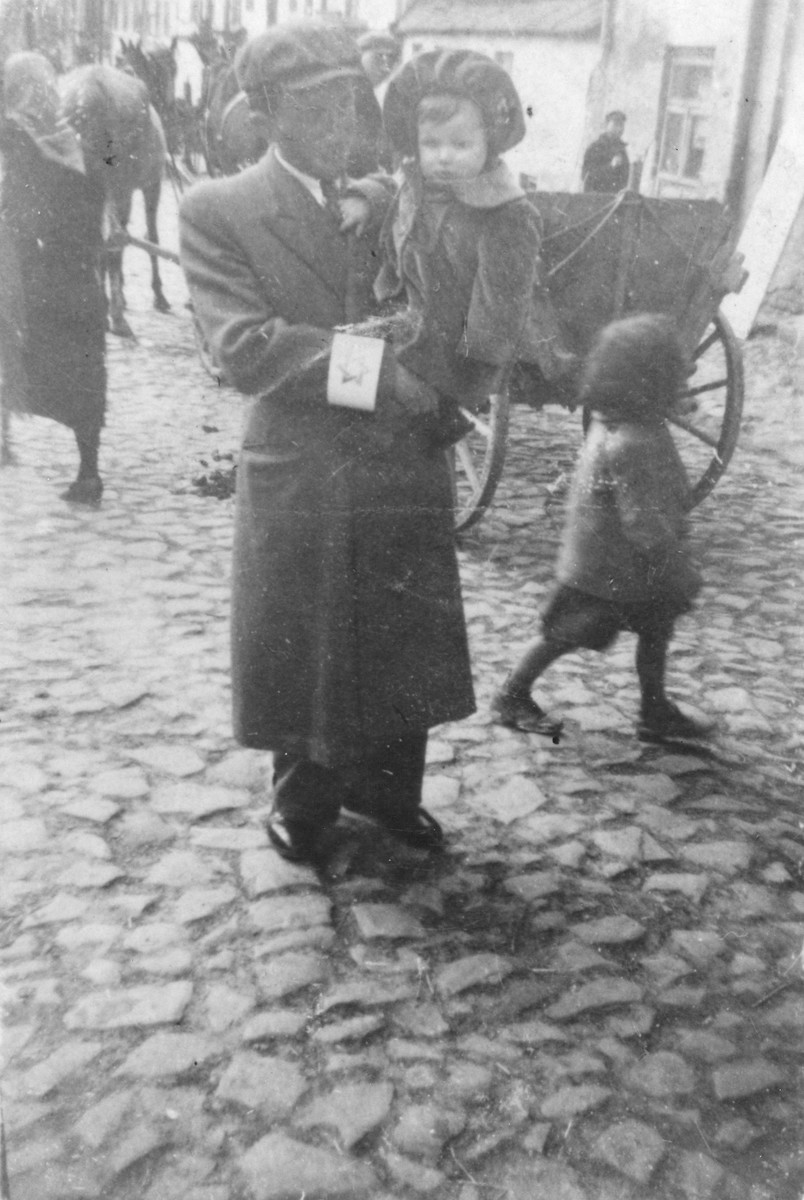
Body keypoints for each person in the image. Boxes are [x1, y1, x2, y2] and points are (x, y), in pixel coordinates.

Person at [179, 23, 475, 866]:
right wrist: (387, 375)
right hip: (303, 462)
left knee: (396, 624)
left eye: (349, 97)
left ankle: (390, 792)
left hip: (399, 456)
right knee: (303, 635)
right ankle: (304, 800)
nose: (338, 119)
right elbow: (245, 347)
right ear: (268, 112)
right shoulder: (220, 210)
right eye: (313, 104)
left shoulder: (397, 196)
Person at [491, 314, 714, 743]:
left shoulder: (613, 422)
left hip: (603, 559)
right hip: (613, 567)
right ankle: (511, 693)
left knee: (653, 629)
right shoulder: (636, 441)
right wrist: (675, 565)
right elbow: (643, 521)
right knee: (565, 635)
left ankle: (654, 707)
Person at [371, 49, 576, 425]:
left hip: (462, 347)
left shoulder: (506, 215)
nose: (444, 157)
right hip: (414, 318)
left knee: (400, 409)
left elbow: (498, 308)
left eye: (461, 145)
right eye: (431, 145)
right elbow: (391, 216)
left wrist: (468, 378)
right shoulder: (418, 190)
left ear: (488, 145)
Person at [0, 52, 107, 504]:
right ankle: (89, 471)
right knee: (84, 370)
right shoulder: (77, 142)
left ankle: (3, 437)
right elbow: (99, 206)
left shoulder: (16, 138)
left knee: (9, 347)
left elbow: (20, 213)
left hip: (28, 277)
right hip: (78, 281)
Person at [582, 110, 629, 192]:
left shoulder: (622, 151)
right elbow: (587, 176)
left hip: (617, 199)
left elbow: (625, 178)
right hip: (596, 199)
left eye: (621, 125)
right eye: (615, 124)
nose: (619, 129)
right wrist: (611, 166)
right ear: (606, 125)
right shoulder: (595, 148)